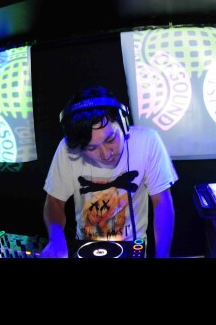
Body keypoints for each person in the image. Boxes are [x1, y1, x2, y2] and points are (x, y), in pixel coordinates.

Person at [40, 85, 178, 258]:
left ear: (123, 123)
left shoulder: (147, 142)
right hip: (84, 249)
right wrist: (56, 238)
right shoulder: (67, 149)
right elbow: (54, 201)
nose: (106, 154)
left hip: (132, 250)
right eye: (91, 148)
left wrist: (162, 255)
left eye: (111, 139)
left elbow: (161, 201)